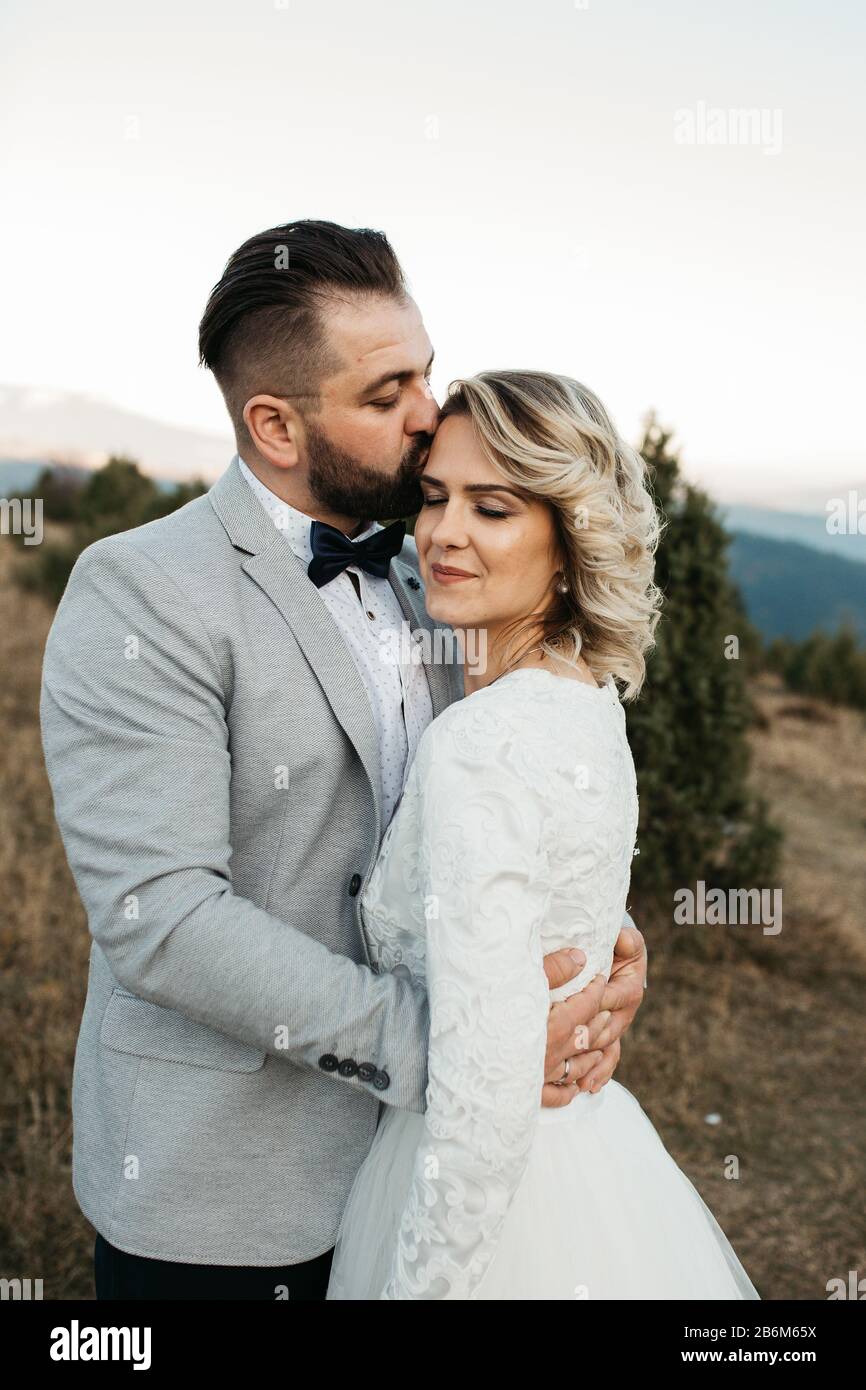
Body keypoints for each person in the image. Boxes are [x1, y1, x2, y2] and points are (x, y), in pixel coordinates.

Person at [39, 221, 646, 1300]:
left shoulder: (438, 564)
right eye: (385, 394)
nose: (429, 414)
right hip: (223, 1196)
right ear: (273, 423)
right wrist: (468, 1047)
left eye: (425, 370)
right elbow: (164, 919)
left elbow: (495, 807)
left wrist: (595, 952)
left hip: (422, 1168)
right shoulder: (140, 592)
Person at [327, 370, 760, 1300]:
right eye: (434, 499)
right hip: (592, 1157)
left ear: (566, 541)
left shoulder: (479, 743)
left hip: (488, 1205)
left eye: (492, 508)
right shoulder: (590, 700)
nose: (444, 533)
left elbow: (482, 1113)